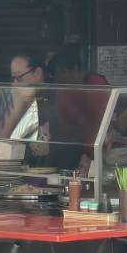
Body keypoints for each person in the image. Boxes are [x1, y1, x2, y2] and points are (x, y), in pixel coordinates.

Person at [44, 45, 110, 173]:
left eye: (62, 72)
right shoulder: (63, 90)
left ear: (75, 69)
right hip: (73, 153)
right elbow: (63, 126)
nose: (59, 78)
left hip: (99, 153)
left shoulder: (95, 84)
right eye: (57, 74)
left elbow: (100, 125)